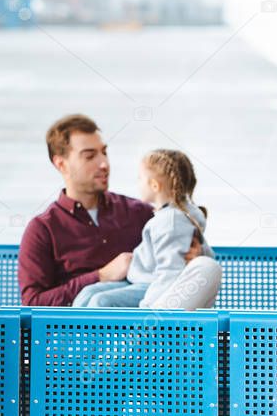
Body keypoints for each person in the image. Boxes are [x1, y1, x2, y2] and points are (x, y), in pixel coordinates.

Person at [18, 114, 201, 306]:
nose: (104, 164)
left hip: (141, 327)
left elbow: (174, 256)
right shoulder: (43, 229)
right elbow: (33, 302)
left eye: (104, 152)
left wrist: (193, 256)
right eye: (89, 156)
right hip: (73, 332)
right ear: (61, 164)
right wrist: (101, 275)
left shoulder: (141, 213)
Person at [73, 149, 222, 308]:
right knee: (88, 293)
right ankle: (69, 331)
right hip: (139, 281)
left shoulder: (170, 222)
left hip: (152, 287)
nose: (138, 183)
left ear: (154, 185)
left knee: (101, 301)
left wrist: (146, 309)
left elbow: (171, 271)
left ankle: (85, 332)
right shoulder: (171, 215)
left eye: (140, 178)